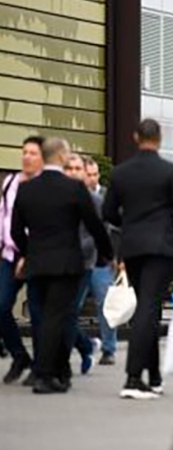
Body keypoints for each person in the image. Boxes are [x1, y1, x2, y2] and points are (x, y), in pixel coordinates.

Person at [103, 119, 173, 400]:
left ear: (136, 137)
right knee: (149, 307)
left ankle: (154, 376)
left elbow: (109, 213)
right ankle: (133, 378)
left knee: (147, 309)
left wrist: (130, 223)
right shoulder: (170, 172)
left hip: (133, 248)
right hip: (162, 247)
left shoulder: (121, 173)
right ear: (159, 139)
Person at [11, 138, 112, 394]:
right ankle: (48, 374)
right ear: (60, 155)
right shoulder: (73, 189)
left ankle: (53, 371)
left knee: (43, 316)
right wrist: (107, 253)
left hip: (37, 262)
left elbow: (15, 231)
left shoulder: (26, 189)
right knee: (57, 317)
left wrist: (28, 252)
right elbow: (94, 225)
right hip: (67, 263)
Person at [0, 136, 44, 386]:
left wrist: (27, 256)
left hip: (35, 256)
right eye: (24, 152)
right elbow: (3, 214)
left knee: (37, 312)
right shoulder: (11, 182)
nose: (26, 157)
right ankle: (19, 356)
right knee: (1, 306)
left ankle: (40, 366)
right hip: (9, 254)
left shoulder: (43, 185)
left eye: (33, 153)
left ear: (42, 158)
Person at [64, 154, 103, 375]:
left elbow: (99, 232)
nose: (74, 173)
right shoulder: (59, 197)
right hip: (61, 262)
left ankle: (68, 358)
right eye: (69, 168)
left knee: (70, 311)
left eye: (79, 169)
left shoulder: (94, 200)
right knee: (63, 312)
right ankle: (86, 346)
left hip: (85, 263)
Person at [80, 154, 117, 366]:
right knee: (71, 307)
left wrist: (117, 257)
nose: (94, 179)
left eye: (96, 174)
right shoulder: (75, 197)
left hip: (102, 261)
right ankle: (84, 343)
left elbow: (117, 228)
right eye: (90, 175)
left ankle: (109, 349)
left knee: (106, 305)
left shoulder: (106, 196)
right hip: (81, 259)